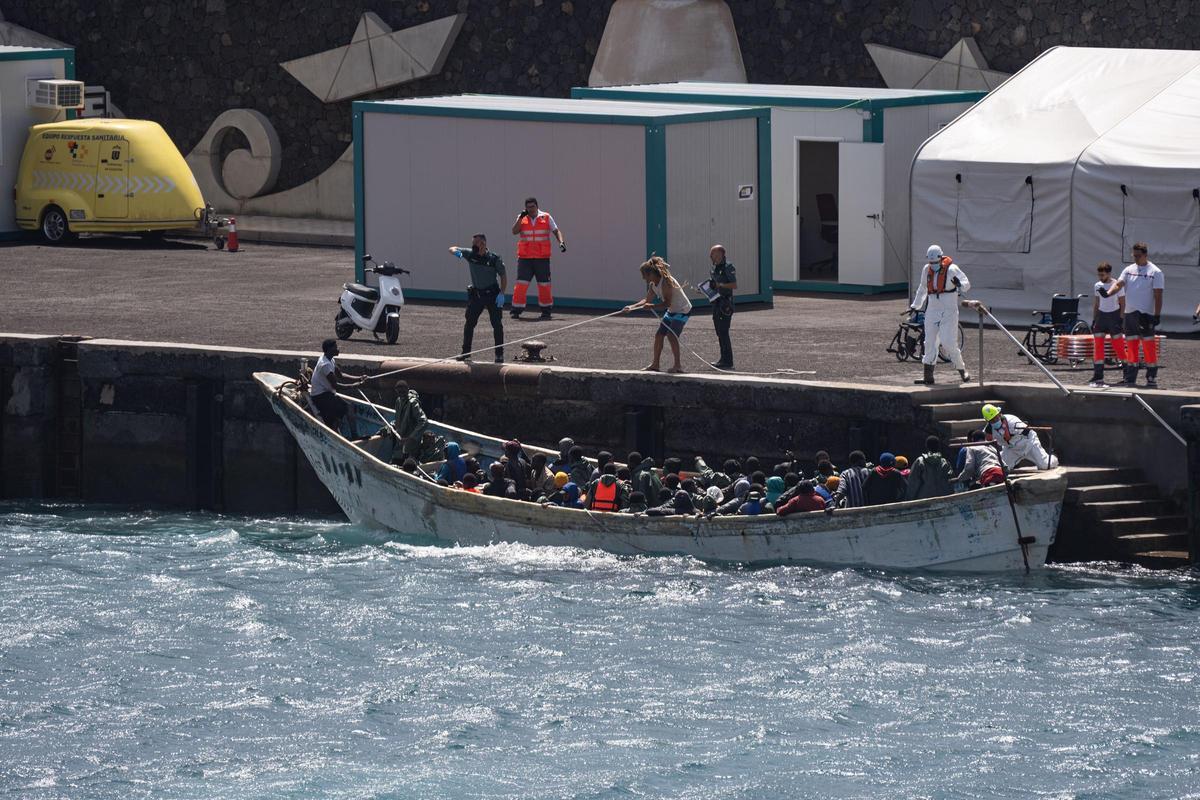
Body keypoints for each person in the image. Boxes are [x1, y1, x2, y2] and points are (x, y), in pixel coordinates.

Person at [1100, 242, 1164, 387]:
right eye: (1134, 255)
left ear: (1145, 255)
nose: (1135, 258)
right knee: (1131, 346)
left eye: (1138, 256)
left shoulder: (1155, 272)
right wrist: (1108, 293)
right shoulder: (1129, 269)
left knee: (1148, 347)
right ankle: (1130, 378)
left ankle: (1151, 377)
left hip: (1146, 314)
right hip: (1130, 314)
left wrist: (1157, 315)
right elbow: (1119, 284)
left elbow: (1158, 295)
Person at [908, 244, 971, 385]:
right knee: (929, 342)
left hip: (949, 311)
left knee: (948, 343)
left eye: (935, 262)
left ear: (941, 258)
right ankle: (928, 376)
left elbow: (967, 284)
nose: (933, 265)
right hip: (932, 310)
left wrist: (960, 284)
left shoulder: (952, 269)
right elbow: (922, 288)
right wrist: (915, 306)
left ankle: (962, 370)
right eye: (931, 262)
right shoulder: (926, 269)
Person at [621, 255, 693, 374]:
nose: (644, 278)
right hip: (671, 311)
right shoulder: (653, 285)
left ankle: (678, 366)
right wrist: (631, 307)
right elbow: (646, 300)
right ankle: (655, 364)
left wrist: (652, 306)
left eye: (645, 276)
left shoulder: (666, 282)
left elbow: (667, 303)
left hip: (682, 310)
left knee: (671, 335)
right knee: (659, 335)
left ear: (651, 274)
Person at [448, 233, 507, 363]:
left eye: (476, 243)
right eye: (472, 243)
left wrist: (502, 293)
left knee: (497, 325)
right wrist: (456, 252)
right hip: (477, 295)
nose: (473, 246)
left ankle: (499, 355)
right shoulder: (470, 254)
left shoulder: (494, 258)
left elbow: (503, 276)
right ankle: (466, 353)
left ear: (483, 244)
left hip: (493, 295)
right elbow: (452, 248)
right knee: (469, 323)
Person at [510, 197, 564, 320]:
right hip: (525, 258)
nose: (530, 209)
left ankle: (546, 310)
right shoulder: (522, 218)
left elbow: (556, 231)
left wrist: (561, 242)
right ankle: (516, 310)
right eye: (528, 207)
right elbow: (514, 231)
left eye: (532, 207)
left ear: (537, 206)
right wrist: (520, 218)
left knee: (544, 285)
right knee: (521, 284)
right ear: (525, 208)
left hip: (542, 258)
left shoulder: (546, 217)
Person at [309, 339, 364, 434]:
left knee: (340, 412)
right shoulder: (325, 365)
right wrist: (353, 386)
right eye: (335, 347)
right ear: (329, 349)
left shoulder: (330, 359)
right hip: (320, 396)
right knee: (348, 408)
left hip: (327, 393)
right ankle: (354, 436)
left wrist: (359, 378)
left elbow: (341, 375)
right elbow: (336, 386)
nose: (338, 349)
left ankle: (336, 430)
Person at [981, 404, 1058, 470]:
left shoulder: (1012, 421)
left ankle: (1054, 456)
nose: (995, 421)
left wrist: (1009, 430)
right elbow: (986, 443)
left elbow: (1028, 431)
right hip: (1011, 449)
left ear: (999, 414)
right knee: (1001, 469)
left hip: (1028, 444)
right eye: (992, 420)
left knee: (1045, 466)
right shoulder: (989, 430)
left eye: (996, 417)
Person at [1088, 261, 1126, 387]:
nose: (1101, 278)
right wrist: (1094, 319)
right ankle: (1098, 376)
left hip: (1114, 317)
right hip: (1101, 317)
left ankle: (1127, 375)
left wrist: (1121, 319)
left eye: (1103, 275)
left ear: (1109, 274)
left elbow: (1122, 303)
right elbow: (1097, 303)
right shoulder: (1097, 285)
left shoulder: (1117, 285)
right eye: (1099, 275)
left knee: (1119, 347)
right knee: (1098, 347)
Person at [707, 244, 737, 369]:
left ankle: (728, 361)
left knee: (724, 332)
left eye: (712, 253)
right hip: (716, 303)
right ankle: (722, 359)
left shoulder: (728, 267)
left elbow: (734, 285)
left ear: (719, 254)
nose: (710, 256)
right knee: (719, 332)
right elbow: (714, 284)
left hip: (725, 304)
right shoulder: (715, 267)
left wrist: (720, 285)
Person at [905, 436, 954, 500]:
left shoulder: (920, 462)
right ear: (938, 446)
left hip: (924, 501)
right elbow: (951, 483)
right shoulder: (945, 462)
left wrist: (909, 500)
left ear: (926, 446)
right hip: (942, 500)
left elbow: (913, 484)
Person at [391, 381, 427, 460]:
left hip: (411, 442)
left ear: (407, 389)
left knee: (409, 463)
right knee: (397, 460)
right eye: (399, 392)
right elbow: (398, 419)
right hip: (400, 440)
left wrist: (411, 437)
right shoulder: (398, 401)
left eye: (403, 391)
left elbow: (423, 421)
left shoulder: (413, 403)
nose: (401, 394)